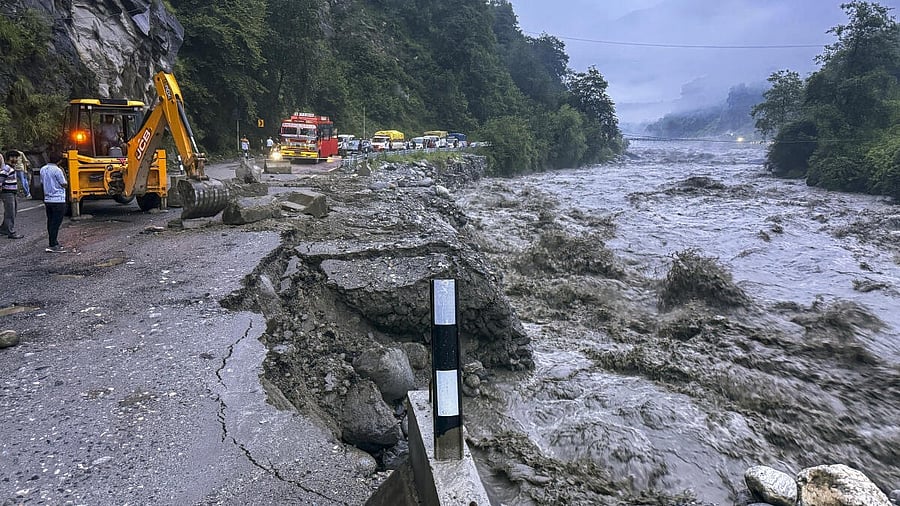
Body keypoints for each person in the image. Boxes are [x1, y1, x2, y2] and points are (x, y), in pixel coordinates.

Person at [40, 152, 68, 253]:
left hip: (48, 199)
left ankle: (53, 241)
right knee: (56, 222)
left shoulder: (43, 169)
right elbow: (64, 184)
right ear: (59, 161)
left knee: (50, 221)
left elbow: (42, 182)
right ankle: (52, 244)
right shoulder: (57, 170)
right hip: (58, 199)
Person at [0, 153, 23, 239]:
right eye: (15, 157)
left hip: (12, 193)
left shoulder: (11, 168)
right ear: (10, 158)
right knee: (10, 213)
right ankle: (11, 232)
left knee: (13, 211)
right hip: (7, 193)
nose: (16, 160)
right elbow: (0, 179)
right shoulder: (6, 168)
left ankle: (4, 228)